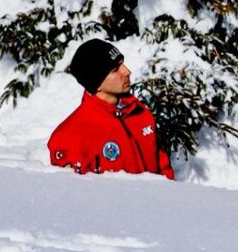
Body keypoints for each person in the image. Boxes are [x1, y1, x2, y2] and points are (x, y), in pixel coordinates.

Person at [47, 39, 175, 178]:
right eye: (115, 70)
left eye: (122, 64)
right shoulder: (69, 136)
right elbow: (71, 194)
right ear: (96, 83)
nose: (127, 71)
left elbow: (164, 172)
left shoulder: (140, 113)